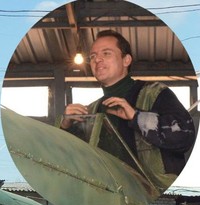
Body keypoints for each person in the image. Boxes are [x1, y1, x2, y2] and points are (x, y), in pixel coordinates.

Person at [60, 29, 195, 190]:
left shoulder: (155, 93)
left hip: (154, 193)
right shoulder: (93, 109)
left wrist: (136, 117)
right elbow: (72, 158)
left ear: (126, 60)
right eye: (93, 56)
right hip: (109, 194)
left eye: (106, 53)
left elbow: (185, 135)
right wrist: (65, 127)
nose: (97, 60)